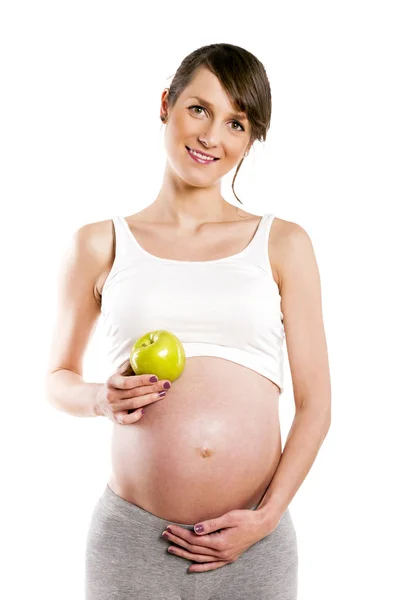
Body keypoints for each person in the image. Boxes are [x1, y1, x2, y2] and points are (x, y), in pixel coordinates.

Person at [46, 43, 331, 600]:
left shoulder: (284, 243)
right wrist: (100, 398)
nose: (211, 137)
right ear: (166, 105)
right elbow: (55, 377)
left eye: (236, 123)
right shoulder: (99, 244)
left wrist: (267, 518)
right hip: (130, 538)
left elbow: (316, 404)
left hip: (253, 537)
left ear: (250, 139)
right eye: (199, 109)